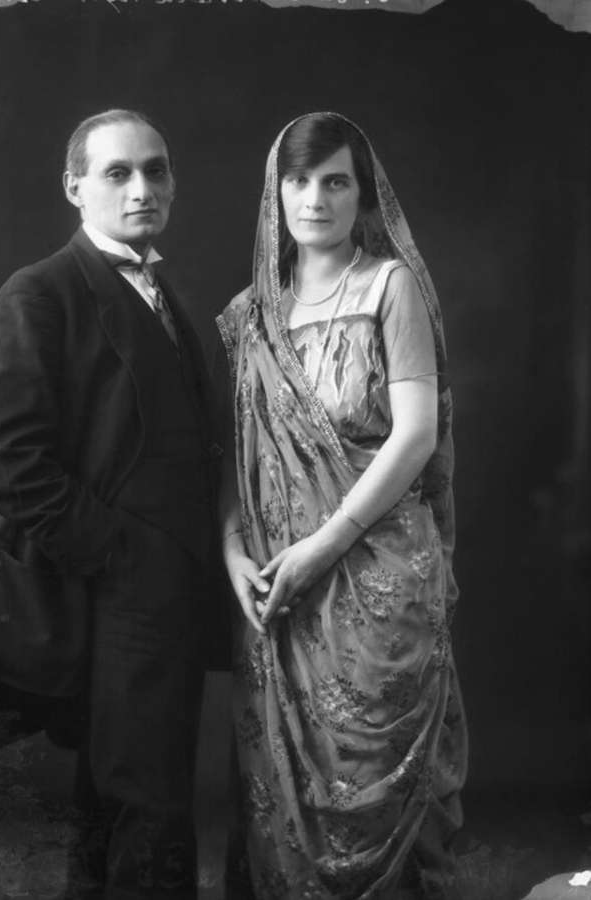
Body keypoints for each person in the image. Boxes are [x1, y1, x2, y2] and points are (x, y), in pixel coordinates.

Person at [0, 108, 221, 900]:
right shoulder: (41, 292)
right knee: (144, 811)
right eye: (118, 173)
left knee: (118, 813)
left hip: (172, 600)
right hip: (114, 601)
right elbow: (1, 459)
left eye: (155, 169)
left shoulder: (162, 291)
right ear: (75, 188)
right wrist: (122, 558)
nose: (142, 187)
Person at [216, 112, 468, 900]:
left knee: (372, 779)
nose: (314, 198)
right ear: (275, 191)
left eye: (335, 180)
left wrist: (323, 547)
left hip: (378, 576)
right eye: (298, 180)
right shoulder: (249, 316)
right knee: (284, 790)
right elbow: (236, 453)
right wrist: (234, 555)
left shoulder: (389, 287)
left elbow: (417, 434)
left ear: (363, 195)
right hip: (276, 588)